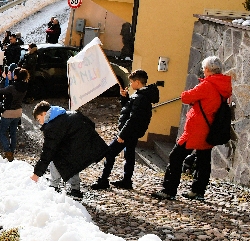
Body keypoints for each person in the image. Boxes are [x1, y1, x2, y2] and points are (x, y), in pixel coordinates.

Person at [153, 56, 232, 201]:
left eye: (203, 69)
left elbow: (186, 97)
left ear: (207, 70)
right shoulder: (224, 86)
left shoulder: (207, 85)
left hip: (196, 129)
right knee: (203, 161)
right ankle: (197, 191)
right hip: (210, 128)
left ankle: (169, 190)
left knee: (175, 157)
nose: (203, 71)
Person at [92, 70, 159, 190]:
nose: (130, 84)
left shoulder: (140, 97)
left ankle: (103, 180)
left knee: (110, 152)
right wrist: (125, 98)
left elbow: (133, 118)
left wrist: (122, 134)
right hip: (133, 132)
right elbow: (129, 110)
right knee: (129, 155)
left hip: (129, 132)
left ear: (138, 82)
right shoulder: (141, 95)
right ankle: (127, 180)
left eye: (132, 81)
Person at [30, 102, 109, 200]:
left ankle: (54, 186)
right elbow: (91, 124)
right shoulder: (70, 114)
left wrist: (37, 173)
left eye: (39, 119)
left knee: (56, 157)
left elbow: (47, 152)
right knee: (70, 160)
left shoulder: (52, 127)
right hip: (87, 146)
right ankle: (75, 190)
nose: (40, 122)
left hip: (78, 149)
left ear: (44, 114)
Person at [0, 68, 29, 161]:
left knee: (2, 133)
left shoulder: (12, 87)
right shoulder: (25, 86)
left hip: (8, 112)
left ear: (16, 76)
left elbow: (0, 90)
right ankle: (11, 151)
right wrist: (11, 80)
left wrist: (3, 79)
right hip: (18, 112)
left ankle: (8, 152)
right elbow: (15, 87)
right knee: (13, 133)